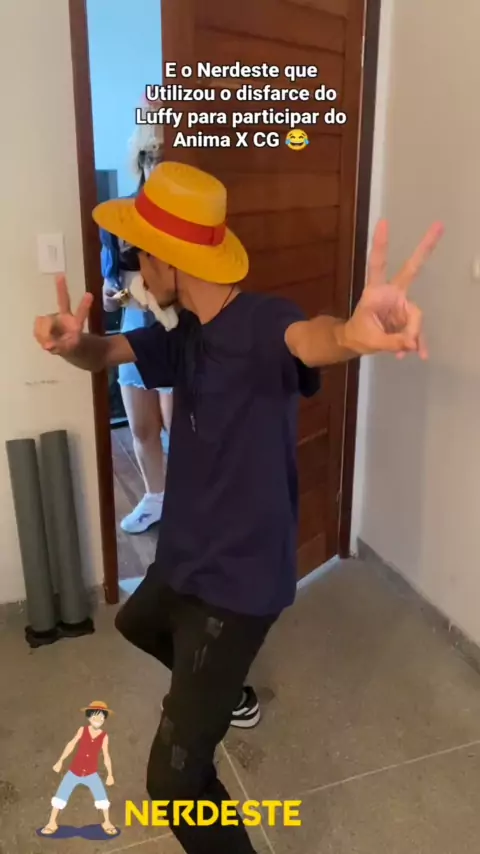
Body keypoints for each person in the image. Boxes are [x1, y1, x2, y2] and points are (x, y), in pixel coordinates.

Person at [34, 161, 443, 854]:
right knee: (136, 621)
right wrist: (73, 346)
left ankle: (217, 707)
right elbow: (105, 352)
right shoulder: (184, 333)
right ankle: (227, 693)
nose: (137, 267)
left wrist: (352, 334)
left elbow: (312, 336)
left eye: (142, 253)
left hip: (239, 579)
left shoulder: (261, 323)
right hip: (186, 554)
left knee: (174, 781)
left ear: (170, 258)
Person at [101, 100, 173, 534]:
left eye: (163, 157)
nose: (155, 167)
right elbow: (111, 296)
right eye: (150, 157)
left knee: (180, 428)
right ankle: (155, 498)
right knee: (142, 427)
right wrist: (114, 296)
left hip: (177, 331)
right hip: (132, 329)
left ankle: (188, 504)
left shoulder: (185, 219)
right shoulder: (118, 216)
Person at [41, 701, 117, 837]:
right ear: (89, 717)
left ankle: (107, 822)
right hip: (74, 770)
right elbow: (71, 744)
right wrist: (60, 761)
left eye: (101, 718)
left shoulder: (104, 736)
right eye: (95, 717)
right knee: (61, 795)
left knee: (101, 797)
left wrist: (110, 774)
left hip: (91, 773)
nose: (98, 720)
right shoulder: (82, 730)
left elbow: (106, 755)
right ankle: (52, 822)